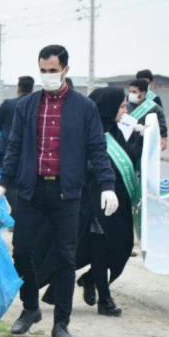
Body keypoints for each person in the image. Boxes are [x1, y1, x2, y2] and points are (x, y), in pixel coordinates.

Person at [0, 45, 117, 337]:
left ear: (65, 70)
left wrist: (108, 184)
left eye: (52, 71)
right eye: (43, 71)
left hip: (67, 192)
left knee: (65, 257)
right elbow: (14, 147)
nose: (47, 76)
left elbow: (98, 149)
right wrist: (3, 184)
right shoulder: (27, 106)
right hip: (32, 190)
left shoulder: (84, 108)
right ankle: (30, 308)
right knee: (21, 250)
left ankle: (61, 322)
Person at [36, 87, 138, 319]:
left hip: (115, 205)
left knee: (118, 248)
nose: (125, 110)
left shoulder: (115, 131)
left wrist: (144, 138)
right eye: (122, 106)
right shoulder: (84, 131)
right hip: (90, 204)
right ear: (108, 107)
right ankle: (104, 298)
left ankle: (91, 279)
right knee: (100, 247)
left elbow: (129, 160)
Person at [0, 76, 35, 170]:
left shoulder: (7, 104)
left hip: (7, 149)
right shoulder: (37, 106)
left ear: (18, 88)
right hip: (29, 152)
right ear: (32, 89)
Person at [127, 79, 168, 151]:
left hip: (146, 146)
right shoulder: (125, 106)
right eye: (130, 91)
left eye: (134, 92)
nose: (130, 94)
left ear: (142, 94)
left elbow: (162, 128)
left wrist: (145, 130)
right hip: (127, 145)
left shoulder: (154, 108)